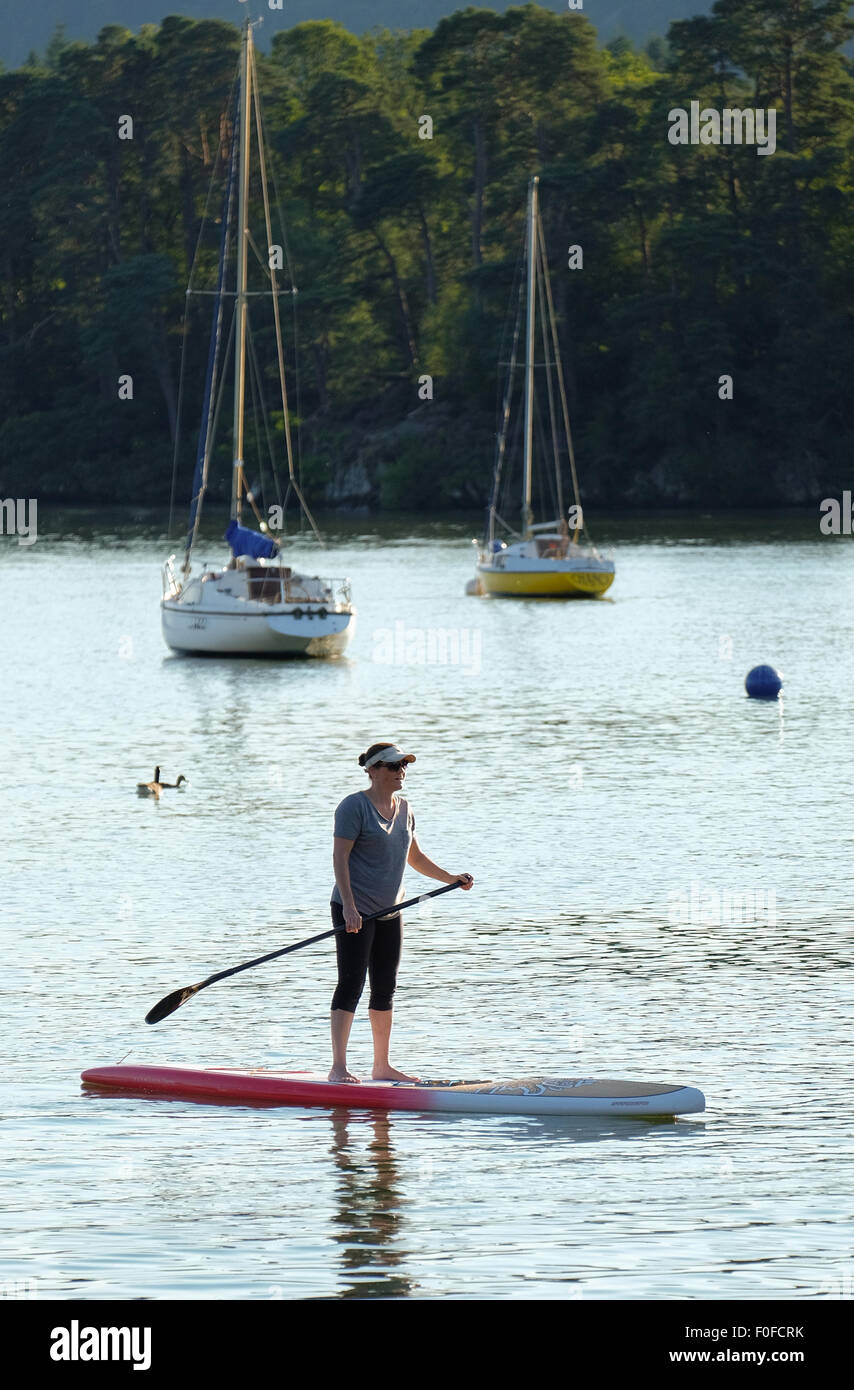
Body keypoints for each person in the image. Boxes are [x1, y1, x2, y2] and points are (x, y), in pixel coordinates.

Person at [329, 741, 474, 1083]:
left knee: (385, 987)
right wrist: (349, 907)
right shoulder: (353, 807)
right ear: (373, 770)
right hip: (355, 910)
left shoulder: (405, 808)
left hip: (391, 911)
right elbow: (339, 859)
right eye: (394, 766)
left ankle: (381, 1066)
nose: (401, 771)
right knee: (351, 984)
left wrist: (450, 878)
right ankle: (338, 1068)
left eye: (404, 765)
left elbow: (415, 856)